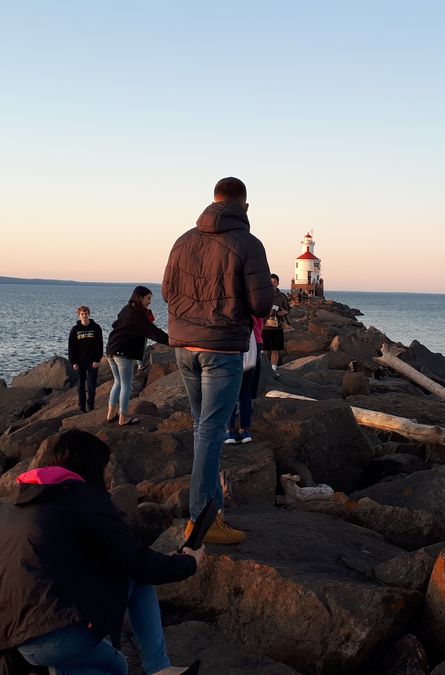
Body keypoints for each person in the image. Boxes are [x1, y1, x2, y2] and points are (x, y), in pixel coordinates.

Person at [0, 429, 203, 675]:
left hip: (21, 645)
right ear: (90, 465)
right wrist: (188, 563)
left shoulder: (17, 507)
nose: (107, 474)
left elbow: (12, 583)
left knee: (118, 666)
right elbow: (137, 561)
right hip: (63, 636)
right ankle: (159, 668)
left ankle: (56, 670)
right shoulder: (85, 498)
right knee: (136, 577)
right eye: (104, 466)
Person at [162, 177, 271, 545]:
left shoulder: (183, 241)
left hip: (184, 347)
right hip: (221, 349)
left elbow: (166, 291)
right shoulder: (248, 243)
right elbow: (260, 304)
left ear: (213, 200)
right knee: (211, 432)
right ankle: (200, 522)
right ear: (245, 205)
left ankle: (214, 510)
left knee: (202, 428)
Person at [105, 286, 169, 426]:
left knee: (117, 382)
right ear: (140, 297)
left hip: (111, 349)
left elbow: (115, 323)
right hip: (123, 352)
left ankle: (110, 414)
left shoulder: (127, 309)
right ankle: (123, 417)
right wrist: (171, 340)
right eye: (148, 299)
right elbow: (152, 331)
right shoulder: (136, 315)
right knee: (127, 385)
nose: (150, 302)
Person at [225, 316, 263, 445]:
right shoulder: (254, 300)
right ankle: (244, 430)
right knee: (245, 390)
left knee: (230, 389)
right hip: (253, 342)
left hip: (231, 342)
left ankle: (229, 429)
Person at [67, 306, 103, 412]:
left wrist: (97, 360)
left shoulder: (96, 328)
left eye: (86, 313)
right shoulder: (75, 330)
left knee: (92, 385)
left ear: (89, 314)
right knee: (80, 386)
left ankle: (91, 405)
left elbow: (100, 345)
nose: (84, 315)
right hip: (79, 362)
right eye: (82, 314)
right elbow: (71, 346)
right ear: (79, 315)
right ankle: (82, 407)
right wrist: (73, 362)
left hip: (92, 362)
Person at [261, 274, 290, 370]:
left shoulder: (282, 297)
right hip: (265, 326)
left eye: (274, 283)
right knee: (264, 350)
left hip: (278, 326)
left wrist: (283, 312)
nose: (272, 285)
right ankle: (264, 369)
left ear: (278, 283)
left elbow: (287, 310)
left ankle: (273, 370)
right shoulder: (262, 296)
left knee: (275, 350)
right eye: (270, 283)